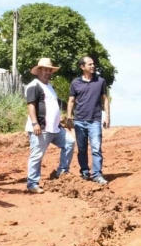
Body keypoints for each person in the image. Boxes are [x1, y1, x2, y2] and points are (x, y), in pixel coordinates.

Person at [25, 58, 75, 193]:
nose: (48, 72)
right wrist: (35, 123)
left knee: (69, 142)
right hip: (41, 128)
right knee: (37, 155)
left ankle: (62, 172)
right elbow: (31, 105)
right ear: (39, 70)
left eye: (50, 70)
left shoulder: (50, 87)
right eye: (45, 69)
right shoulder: (34, 86)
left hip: (55, 128)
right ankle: (32, 184)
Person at [66, 56, 110, 185]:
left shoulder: (100, 81)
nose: (93, 66)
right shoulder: (75, 83)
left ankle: (97, 174)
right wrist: (69, 117)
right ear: (82, 67)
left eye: (93, 64)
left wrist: (107, 116)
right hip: (79, 120)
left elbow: (105, 99)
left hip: (95, 120)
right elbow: (71, 101)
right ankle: (85, 171)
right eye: (89, 64)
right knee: (82, 149)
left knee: (96, 148)